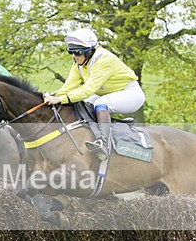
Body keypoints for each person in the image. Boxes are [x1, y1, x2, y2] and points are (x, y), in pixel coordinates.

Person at [42, 28, 145, 159]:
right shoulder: (79, 63)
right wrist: (51, 96)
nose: (75, 56)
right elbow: (68, 86)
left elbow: (88, 90)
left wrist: (60, 99)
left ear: (90, 51)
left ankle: (103, 142)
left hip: (130, 94)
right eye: (71, 52)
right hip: (108, 93)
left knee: (100, 103)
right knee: (84, 104)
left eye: (78, 52)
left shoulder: (104, 60)